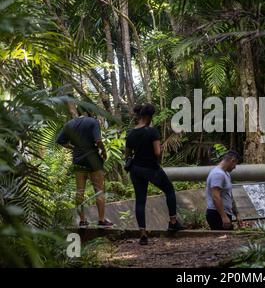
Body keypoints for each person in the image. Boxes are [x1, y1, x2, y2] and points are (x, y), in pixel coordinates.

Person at [125, 103, 185, 245]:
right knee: (169, 189)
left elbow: (127, 155)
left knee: (140, 200)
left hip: (136, 170)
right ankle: (172, 222)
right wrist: (161, 148)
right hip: (151, 169)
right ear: (149, 117)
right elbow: (157, 152)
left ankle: (143, 233)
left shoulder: (131, 133)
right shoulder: (152, 132)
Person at [56, 101, 113, 229]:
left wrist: (74, 148)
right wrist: (103, 151)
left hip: (78, 160)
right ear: (89, 111)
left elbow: (60, 141)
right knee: (98, 190)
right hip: (93, 159)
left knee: (79, 191)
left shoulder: (69, 124)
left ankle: (82, 221)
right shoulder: (92, 122)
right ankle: (101, 220)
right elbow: (98, 140)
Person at [205, 150, 243, 230]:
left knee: (228, 240)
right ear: (232, 161)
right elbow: (215, 196)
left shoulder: (226, 174)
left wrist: (237, 214)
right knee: (222, 240)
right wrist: (224, 217)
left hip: (224, 213)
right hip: (216, 214)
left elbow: (229, 196)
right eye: (235, 164)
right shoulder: (218, 174)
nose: (235, 167)